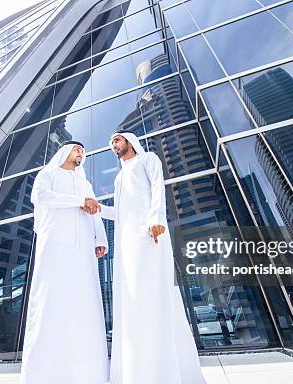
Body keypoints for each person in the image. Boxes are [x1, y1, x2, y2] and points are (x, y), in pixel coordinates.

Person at [94, 130, 207, 384]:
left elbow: (158, 188)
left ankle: (167, 371)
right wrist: (98, 209)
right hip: (127, 244)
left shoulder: (148, 160)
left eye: (117, 139)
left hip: (151, 235)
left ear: (130, 141)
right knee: (133, 300)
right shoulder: (119, 177)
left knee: (156, 295)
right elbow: (121, 213)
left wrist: (156, 219)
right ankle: (139, 370)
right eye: (111, 142)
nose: (114, 144)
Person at [21, 140, 109, 384]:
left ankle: (87, 374)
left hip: (82, 251)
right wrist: (78, 201)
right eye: (77, 149)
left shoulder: (85, 183)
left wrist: (99, 238)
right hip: (55, 244)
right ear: (64, 151)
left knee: (84, 303)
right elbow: (40, 196)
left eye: (84, 150)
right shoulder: (48, 173)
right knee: (51, 300)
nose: (81, 152)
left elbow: (94, 210)